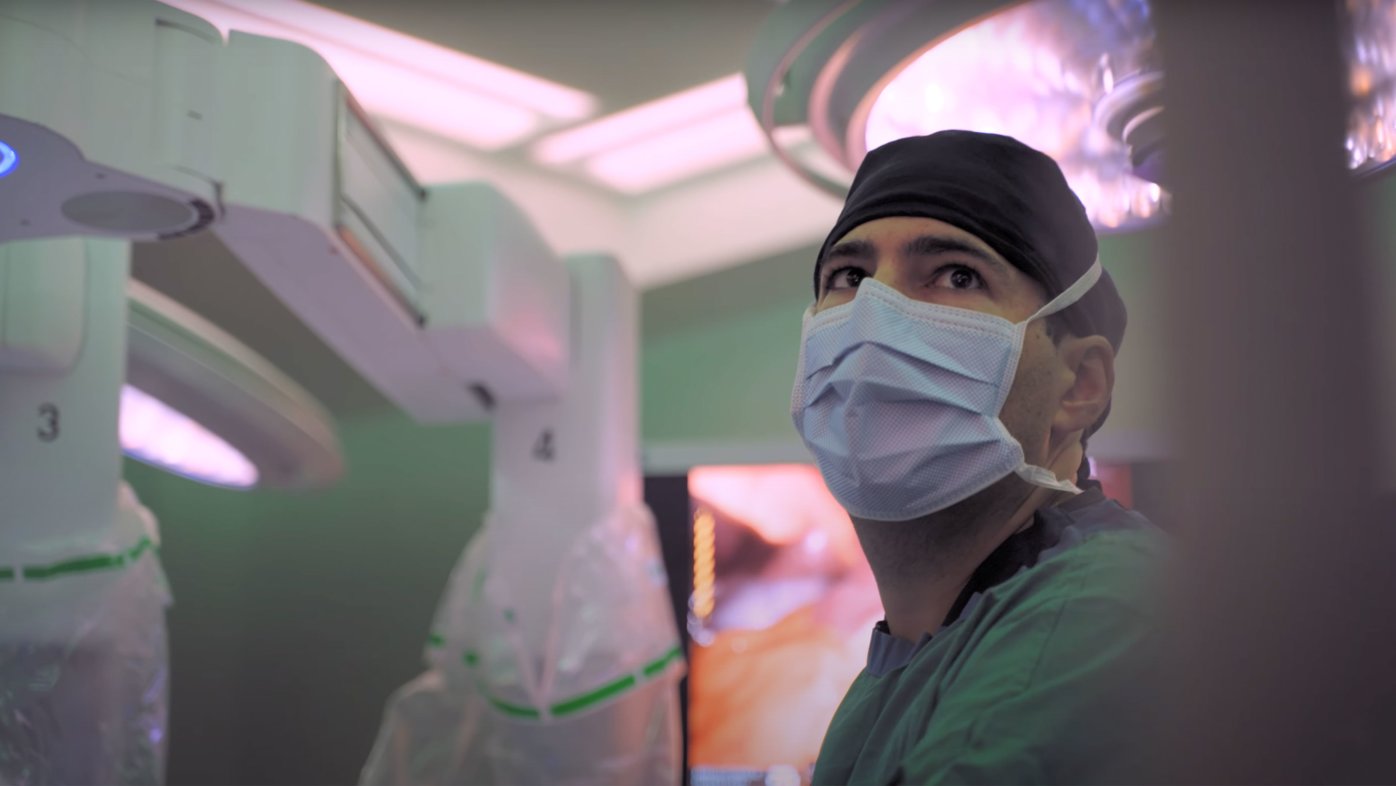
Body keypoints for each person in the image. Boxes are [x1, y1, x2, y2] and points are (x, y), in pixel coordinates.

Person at [790, 130, 1165, 785]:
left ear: (1078, 387)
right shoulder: (901, 668)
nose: (876, 313)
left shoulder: (1100, 610)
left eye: (956, 275)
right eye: (849, 276)